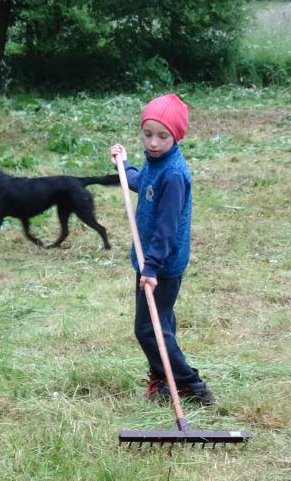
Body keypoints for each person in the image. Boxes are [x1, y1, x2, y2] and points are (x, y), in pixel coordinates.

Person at [109, 93, 216, 405]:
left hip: (161, 264)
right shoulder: (156, 162)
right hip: (149, 261)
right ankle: (163, 378)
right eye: (147, 134)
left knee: (147, 329)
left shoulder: (173, 174)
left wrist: (152, 267)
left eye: (162, 136)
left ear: (177, 135)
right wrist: (123, 165)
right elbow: (143, 183)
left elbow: (167, 228)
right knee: (161, 324)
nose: (153, 143)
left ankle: (191, 385)